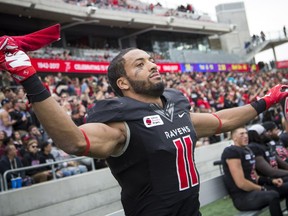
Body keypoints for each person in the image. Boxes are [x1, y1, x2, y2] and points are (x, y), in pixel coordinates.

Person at [0, 34, 288, 215]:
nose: (152, 65)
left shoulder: (174, 109)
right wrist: (30, 78)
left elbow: (220, 120)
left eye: (150, 60)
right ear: (123, 83)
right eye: (139, 64)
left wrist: (265, 100)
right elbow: (74, 141)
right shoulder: (121, 123)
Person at [221, 127, 285, 215]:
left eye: (246, 133)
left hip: (254, 191)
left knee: (285, 187)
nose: (246, 136)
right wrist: (262, 188)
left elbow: (255, 177)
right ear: (234, 137)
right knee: (272, 195)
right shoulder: (231, 151)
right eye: (241, 134)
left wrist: (271, 181)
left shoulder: (247, 150)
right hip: (243, 197)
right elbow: (241, 183)